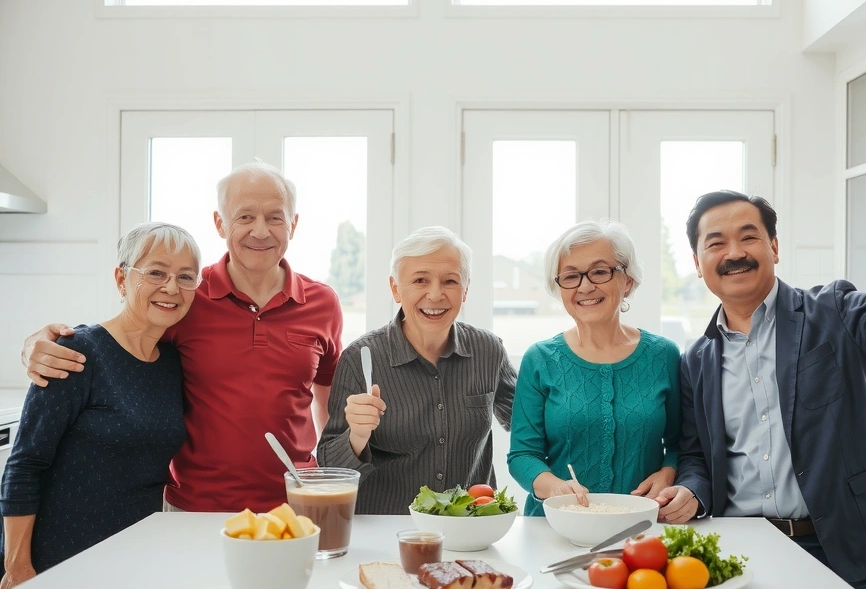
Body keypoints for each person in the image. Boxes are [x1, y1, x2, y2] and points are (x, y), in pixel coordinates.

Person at [655, 170, 866, 589]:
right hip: (741, 552)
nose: (734, 253)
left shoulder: (837, 312)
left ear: (774, 247)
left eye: (749, 237)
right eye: (715, 243)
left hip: (840, 549)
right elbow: (696, 455)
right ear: (698, 264)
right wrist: (691, 491)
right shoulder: (697, 360)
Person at [20, 162, 343, 513]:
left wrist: (324, 484)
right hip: (195, 508)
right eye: (245, 217)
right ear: (220, 224)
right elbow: (122, 336)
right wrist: (39, 343)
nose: (261, 231)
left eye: (275, 217)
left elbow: (327, 407)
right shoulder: (186, 295)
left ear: (293, 224)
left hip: (293, 505)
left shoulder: (323, 303)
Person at [0, 223, 201, 589]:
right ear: (121, 278)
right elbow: (25, 464)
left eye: (185, 277)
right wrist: (17, 568)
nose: (171, 287)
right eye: (156, 272)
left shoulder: (172, 362)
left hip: (134, 559)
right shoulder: (77, 352)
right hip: (58, 560)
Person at [318, 226, 516, 514]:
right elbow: (329, 471)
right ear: (396, 289)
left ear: (466, 290)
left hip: (469, 529)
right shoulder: (361, 358)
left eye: (450, 281)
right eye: (420, 280)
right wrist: (357, 437)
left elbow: (531, 427)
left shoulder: (489, 351)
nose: (435, 295)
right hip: (386, 529)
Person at [508, 220, 681, 517]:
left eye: (600, 272)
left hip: (640, 526)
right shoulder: (539, 359)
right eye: (571, 276)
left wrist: (669, 471)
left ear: (627, 280)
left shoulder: (663, 355)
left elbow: (683, 443)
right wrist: (555, 488)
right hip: (555, 526)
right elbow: (523, 455)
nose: (585, 286)